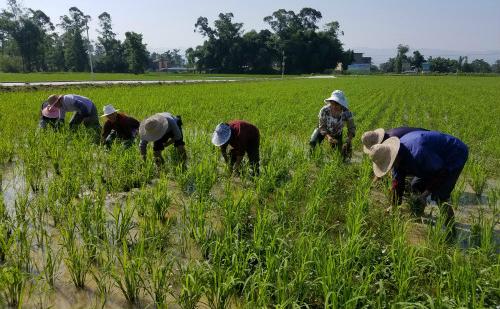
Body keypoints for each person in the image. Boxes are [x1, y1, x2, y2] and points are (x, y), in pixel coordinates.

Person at [367, 130, 469, 236]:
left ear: (393, 156)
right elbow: (397, 182)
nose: (390, 165)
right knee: (416, 186)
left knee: (440, 197)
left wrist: (425, 194)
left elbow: (441, 174)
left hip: (454, 154)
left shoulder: (418, 153)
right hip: (432, 159)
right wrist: (394, 205)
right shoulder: (396, 157)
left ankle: (451, 232)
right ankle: (417, 218)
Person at [309, 90, 356, 160]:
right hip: (323, 130)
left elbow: (351, 128)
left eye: (337, 104)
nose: (334, 106)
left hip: (337, 133)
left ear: (341, 104)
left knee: (339, 154)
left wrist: (348, 140)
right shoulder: (324, 110)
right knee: (313, 142)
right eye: (332, 103)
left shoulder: (347, 113)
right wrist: (328, 137)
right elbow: (322, 127)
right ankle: (312, 159)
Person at [361, 127, 428, 154]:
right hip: (425, 135)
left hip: (426, 143)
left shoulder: (392, 140)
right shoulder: (388, 134)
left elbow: (396, 160)